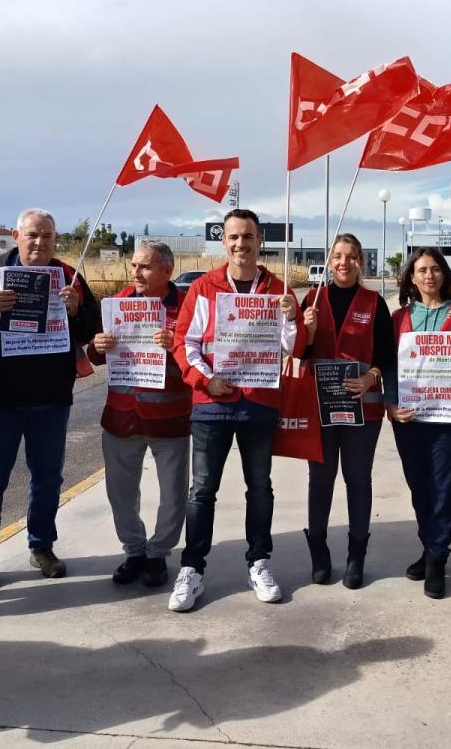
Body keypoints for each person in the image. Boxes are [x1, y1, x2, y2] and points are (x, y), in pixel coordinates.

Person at [0, 208, 99, 596]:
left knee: (47, 479)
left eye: (47, 237)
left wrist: (75, 311)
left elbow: (91, 329)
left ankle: (42, 548)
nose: (39, 243)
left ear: (56, 239)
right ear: (16, 235)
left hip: (50, 398)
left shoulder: (69, 276)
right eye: (32, 235)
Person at [168, 209, 307, 612]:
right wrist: (205, 380)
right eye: (233, 237)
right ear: (223, 241)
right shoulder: (204, 288)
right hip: (212, 403)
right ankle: (192, 569)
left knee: (260, 488)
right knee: (202, 491)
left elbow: (293, 348)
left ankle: (259, 562)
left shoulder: (279, 290)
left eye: (247, 236)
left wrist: (291, 318)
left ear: (259, 240)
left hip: (259, 405)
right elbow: (184, 343)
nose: (240, 244)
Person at [88, 240, 191, 588]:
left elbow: (201, 358)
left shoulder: (187, 307)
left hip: (169, 419)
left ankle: (158, 554)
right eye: (134, 266)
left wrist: (176, 343)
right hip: (122, 418)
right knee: (121, 492)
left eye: (144, 266)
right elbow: (96, 355)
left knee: (173, 495)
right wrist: (97, 346)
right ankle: (134, 550)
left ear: (166, 270)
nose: (136, 272)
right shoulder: (117, 305)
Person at [386, 248, 451, 599]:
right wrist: (390, 404)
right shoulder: (399, 318)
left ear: (444, 274)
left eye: (435, 269)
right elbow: (388, 366)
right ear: (411, 278)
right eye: (421, 270)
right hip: (410, 417)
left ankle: (437, 560)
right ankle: (429, 548)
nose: (429, 275)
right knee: (420, 489)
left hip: (449, 418)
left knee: (443, 491)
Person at [299, 233, 394, 588]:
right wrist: (305, 332)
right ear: (329, 260)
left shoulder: (374, 303)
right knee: (320, 480)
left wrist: (372, 376)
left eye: (351, 256)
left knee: (358, 480)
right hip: (321, 408)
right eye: (337, 256)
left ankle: (356, 555)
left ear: (360, 263)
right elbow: (299, 355)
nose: (343, 263)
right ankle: (319, 551)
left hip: (362, 411)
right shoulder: (313, 298)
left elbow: (386, 352)